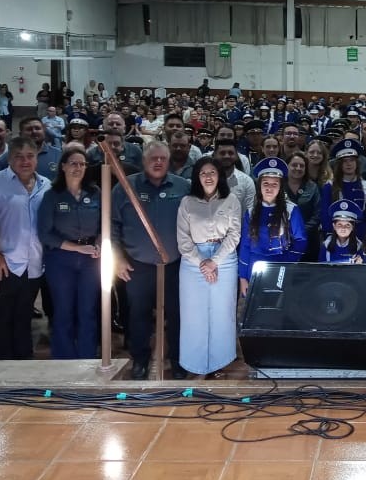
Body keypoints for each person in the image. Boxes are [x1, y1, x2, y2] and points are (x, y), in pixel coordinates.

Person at [111, 140, 191, 380]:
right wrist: (117, 258)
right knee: (138, 316)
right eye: (153, 158)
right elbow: (111, 225)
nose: (158, 162)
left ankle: (178, 361)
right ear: (143, 161)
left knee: (177, 315)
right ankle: (140, 360)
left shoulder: (183, 187)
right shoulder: (125, 187)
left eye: (162, 158)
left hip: (175, 265)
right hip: (138, 265)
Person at [0, 137, 52, 360]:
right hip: (2, 264)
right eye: (19, 156)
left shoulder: (46, 185)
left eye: (30, 156)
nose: (25, 161)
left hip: (34, 264)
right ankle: (0, 370)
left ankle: (23, 367)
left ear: (37, 158)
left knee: (23, 318)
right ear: (9, 158)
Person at [176, 156, 242, 378]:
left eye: (212, 172)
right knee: (193, 314)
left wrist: (214, 261)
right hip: (193, 261)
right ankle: (194, 364)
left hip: (224, 259)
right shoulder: (187, 202)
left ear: (219, 175)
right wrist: (202, 262)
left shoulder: (231, 200)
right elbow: (183, 240)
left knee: (222, 312)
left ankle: (219, 363)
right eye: (203, 173)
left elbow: (234, 235)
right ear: (197, 177)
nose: (208, 176)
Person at [36, 146, 101, 359]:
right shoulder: (52, 195)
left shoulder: (95, 193)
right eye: (73, 163)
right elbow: (45, 233)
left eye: (82, 164)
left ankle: (87, 358)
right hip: (60, 259)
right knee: (63, 311)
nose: (78, 168)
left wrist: (100, 243)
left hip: (91, 259)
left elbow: (105, 224)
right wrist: (77, 248)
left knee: (88, 310)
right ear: (63, 166)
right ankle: (64, 360)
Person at [238, 158, 307, 297]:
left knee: (278, 304)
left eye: (275, 184)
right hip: (254, 265)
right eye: (266, 183)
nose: (269, 188)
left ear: (281, 186)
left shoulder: (290, 210)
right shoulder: (251, 212)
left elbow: (301, 241)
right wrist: (243, 277)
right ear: (259, 186)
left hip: (281, 264)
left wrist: (286, 261)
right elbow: (245, 245)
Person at [320, 139, 366, 236]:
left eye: (352, 160)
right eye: (345, 161)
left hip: (360, 236)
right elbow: (325, 215)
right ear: (339, 164)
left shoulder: (365, 185)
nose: (349, 164)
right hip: (336, 236)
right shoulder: (329, 186)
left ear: (357, 162)